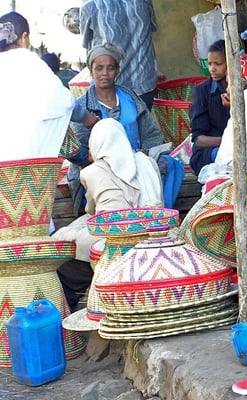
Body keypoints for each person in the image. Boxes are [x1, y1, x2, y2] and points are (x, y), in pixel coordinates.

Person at [55, 118, 163, 310]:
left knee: (65, 261)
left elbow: (92, 213)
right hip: (155, 233)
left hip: (113, 240)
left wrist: (67, 233)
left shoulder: (92, 172)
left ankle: (70, 315)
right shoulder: (147, 163)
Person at [67, 42, 165, 215]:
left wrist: (143, 153)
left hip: (137, 159)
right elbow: (80, 149)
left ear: (118, 70)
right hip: (103, 165)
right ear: (90, 71)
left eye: (110, 68)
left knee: (162, 166)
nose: (105, 73)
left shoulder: (130, 98)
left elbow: (152, 133)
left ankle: (156, 217)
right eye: (99, 68)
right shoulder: (84, 107)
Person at [0, 12, 95, 161]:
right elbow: (63, 102)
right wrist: (86, 117)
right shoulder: (30, 62)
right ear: (25, 37)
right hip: (29, 165)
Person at [79, 0, 158, 110]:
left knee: (110, 127)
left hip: (108, 87)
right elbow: (151, 28)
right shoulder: (144, 1)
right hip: (142, 84)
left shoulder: (90, 5)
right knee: (141, 126)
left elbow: (87, 46)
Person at [188, 39, 230, 177]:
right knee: (228, 158)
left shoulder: (244, 88)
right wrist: (228, 141)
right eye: (210, 63)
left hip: (237, 146)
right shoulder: (202, 91)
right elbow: (199, 139)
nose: (212, 68)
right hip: (208, 151)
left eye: (218, 64)